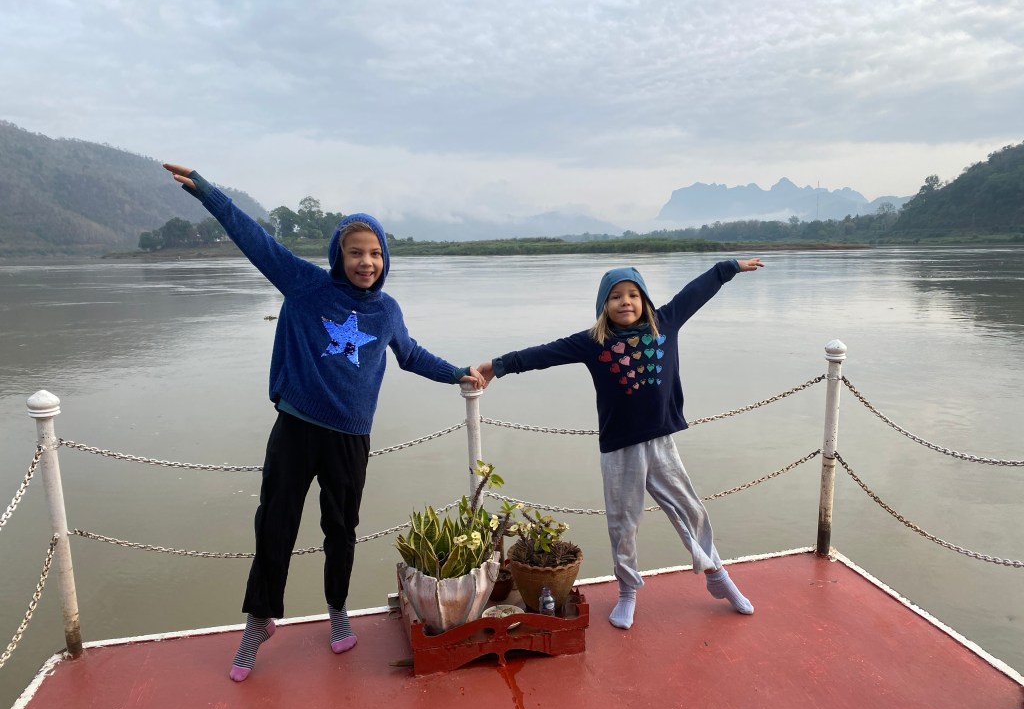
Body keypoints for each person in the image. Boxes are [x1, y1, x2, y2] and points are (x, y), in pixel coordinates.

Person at [164, 163, 485, 680]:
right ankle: (259, 620)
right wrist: (208, 193)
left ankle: (337, 610)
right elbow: (257, 242)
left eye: (375, 253)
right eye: (355, 252)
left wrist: (456, 374)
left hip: (350, 438)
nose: (366, 262)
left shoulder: (387, 311)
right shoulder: (306, 285)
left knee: (341, 528)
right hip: (296, 428)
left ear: (385, 259)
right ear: (339, 254)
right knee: (275, 523)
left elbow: (410, 355)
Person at [478, 258, 763, 629]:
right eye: (615, 297)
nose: (625, 302)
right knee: (623, 524)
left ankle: (717, 575)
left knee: (690, 510)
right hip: (620, 448)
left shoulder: (665, 322)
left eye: (632, 294)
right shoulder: (593, 342)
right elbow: (543, 354)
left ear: (644, 299)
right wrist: (497, 366)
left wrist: (729, 268)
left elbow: (696, 292)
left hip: (660, 442)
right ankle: (628, 591)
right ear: (604, 305)